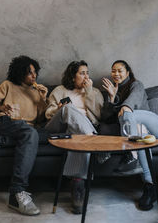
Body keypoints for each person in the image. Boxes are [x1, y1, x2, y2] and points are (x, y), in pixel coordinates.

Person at [0, 55, 48, 216]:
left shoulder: (36, 92)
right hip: (2, 122)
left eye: (35, 72)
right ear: (20, 73)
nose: (34, 76)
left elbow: (43, 120)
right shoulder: (7, 85)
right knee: (29, 132)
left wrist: (43, 100)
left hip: (24, 130)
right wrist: (1, 108)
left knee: (31, 133)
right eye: (29, 72)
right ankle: (17, 192)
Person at [101, 60, 158, 211]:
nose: (116, 74)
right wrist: (111, 98)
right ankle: (150, 187)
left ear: (128, 72)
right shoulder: (115, 90)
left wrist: (125, 106)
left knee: (128, 114)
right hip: (142, 133)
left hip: (153, 124)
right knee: (139, 133)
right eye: (113, 71)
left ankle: (130, 153)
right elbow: (107, 119)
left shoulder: (137, 84)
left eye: (120, 70)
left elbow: (132, 100)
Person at [45, 60, 103, 214]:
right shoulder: (59, 90)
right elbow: (47, 113)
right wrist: (58, 109)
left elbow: (98, 115)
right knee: (68, 108)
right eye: (82, 73)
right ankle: (95, 142)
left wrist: (89, 92)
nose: (86, 76)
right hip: (60, 126)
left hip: (80, 130)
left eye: (87, 73)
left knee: (78, 135)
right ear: (72, 77)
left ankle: (77, 184)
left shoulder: (94, 92)